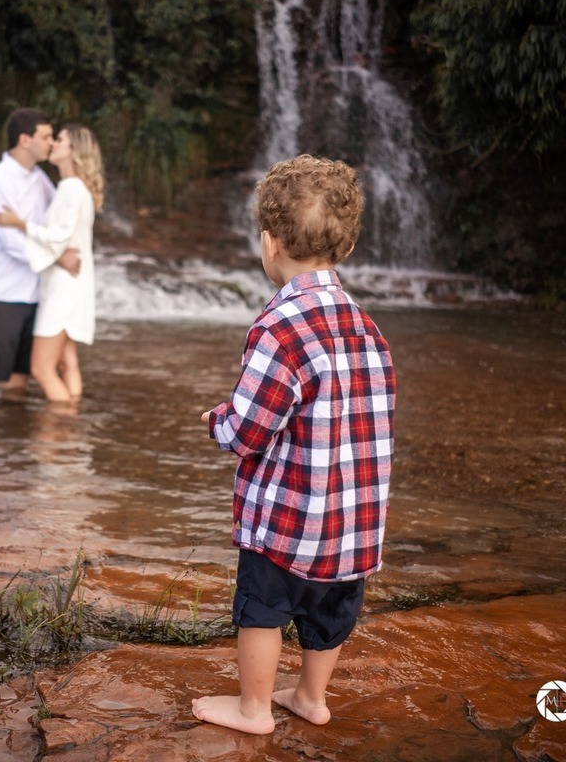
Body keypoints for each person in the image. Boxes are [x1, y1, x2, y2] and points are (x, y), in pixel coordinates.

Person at [193, 154, 396, 735]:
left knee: (263, 609)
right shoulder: (366, 326)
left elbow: (251, 429)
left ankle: (253, 708)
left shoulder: (279, 326)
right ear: (346, 248)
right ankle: (311, 695)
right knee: (331, 610)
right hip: (352, 517)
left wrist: (219, 420)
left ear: (269, 242)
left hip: (287, 517)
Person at [0, 108, 80, 400]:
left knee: (18, 377)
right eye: (45, 136)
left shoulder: (39, 178)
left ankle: (11, 440)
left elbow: (54, 222)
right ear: (24, 140)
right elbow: (10, 243)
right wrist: (59, 257)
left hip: (33, 292)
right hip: (1, 293)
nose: (51, 142)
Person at [0, 124, 102, 402]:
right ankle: (73, 424)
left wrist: (19, 224)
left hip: (63, 290)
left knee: (41, 368)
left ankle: (63, 424)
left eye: (60, 140)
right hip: (76, 286)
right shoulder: (75, 188)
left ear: (74, 150)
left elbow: (57, 239)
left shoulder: (70, 189)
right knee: (67, 362)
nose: (53, 144)